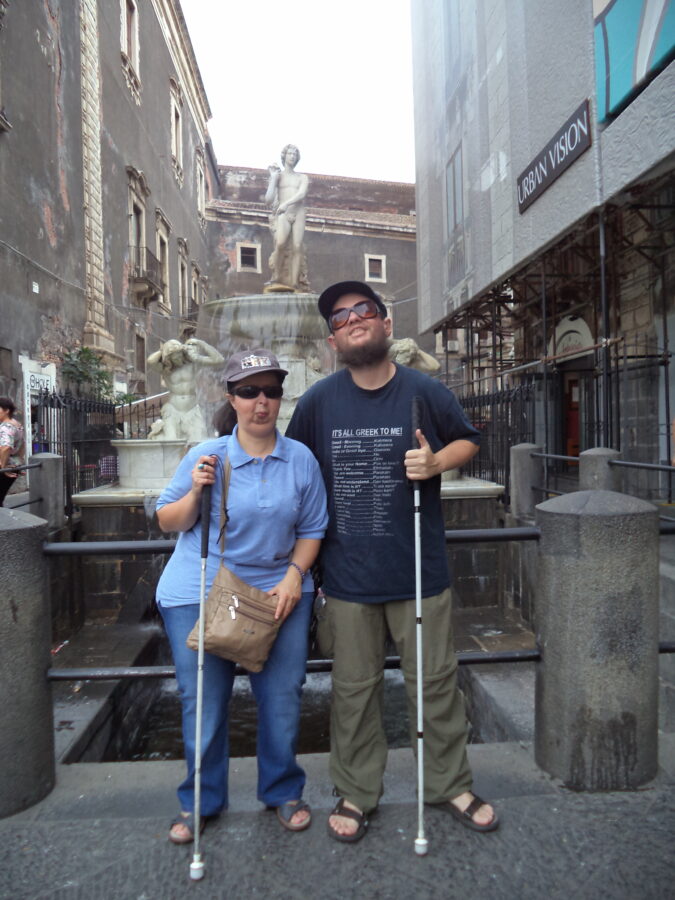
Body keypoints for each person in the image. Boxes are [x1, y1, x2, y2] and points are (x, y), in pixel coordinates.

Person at [286, 281, 499, 842]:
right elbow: (291, 470)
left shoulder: (424, 390)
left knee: (434, 684)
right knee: (354, 693)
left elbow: (468, 440)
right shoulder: (317, 403)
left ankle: (450, 782)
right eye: (340, 317)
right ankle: (357, 792)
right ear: (333, 341)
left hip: (419, 572)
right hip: (347, 580)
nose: (352, 319)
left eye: (363, 310)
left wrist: (436, 464)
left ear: (385, 324)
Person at [155, 349, 328, 843]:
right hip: (201, 590)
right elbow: (169, 520)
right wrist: (195, 491)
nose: (261, 402)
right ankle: (201, 802)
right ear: (232, 398)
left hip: (278, 593)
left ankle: (281, 790)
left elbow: (313, 527)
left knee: (281, 698)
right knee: (203, 700)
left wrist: (296, 574)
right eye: (250, 391)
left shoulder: (301, 459)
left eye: (271, 391)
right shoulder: (207, 454)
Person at [147, 337, 224, 443]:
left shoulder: (193, 364)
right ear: (168, 359)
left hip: (192, 410)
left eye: (179, 354)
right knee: (171, 443)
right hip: (173, 410)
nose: (178, 358)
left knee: (198, 443)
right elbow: (151, 361)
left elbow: (218, 359)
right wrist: (164, 349)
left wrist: (201, 343)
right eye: (174, 356)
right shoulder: (165, 370)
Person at [265, 144, 309, 290]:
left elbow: (302, 194)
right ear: (284, 156)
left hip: (298, 212)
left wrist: (286, 204)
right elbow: (268, 200)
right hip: (283, 214)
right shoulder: (278, 177)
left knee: (297, 247)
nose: (292, 156)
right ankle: (276, 276)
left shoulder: (302, 177)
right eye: (290, 153)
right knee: (280, 243)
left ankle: (294, 282)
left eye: (295, 154)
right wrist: (272, 178)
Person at [0, 397, 25, 507]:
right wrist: (20, 461)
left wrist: (3, 467)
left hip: (5, 467)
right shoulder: (17, 424)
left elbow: (5, 447)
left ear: (6, 410)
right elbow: (23, 444)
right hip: (14, 464)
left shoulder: (6, 426)